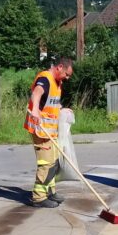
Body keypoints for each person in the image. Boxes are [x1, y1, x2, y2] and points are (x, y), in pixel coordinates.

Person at [25, 57, 74, 208]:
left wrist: (62, 109)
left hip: (50, 131)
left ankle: (50, 191)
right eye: (66, 74)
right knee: (46, 163)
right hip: (40, 130)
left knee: (54, 162)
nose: (67, 78)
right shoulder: (45, 79)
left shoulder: (57, 83)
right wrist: (34, 110)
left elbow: (51, 102)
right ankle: (38, 197)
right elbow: (37, 93)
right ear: (60, 67)